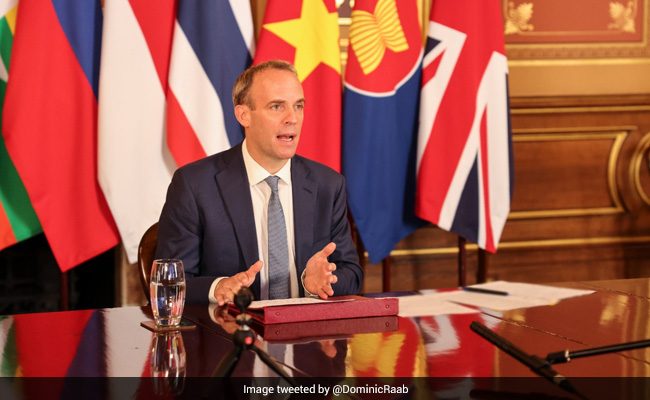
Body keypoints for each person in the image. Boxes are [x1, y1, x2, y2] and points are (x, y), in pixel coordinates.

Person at [155, 60, 363, 305]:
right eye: (277, 107)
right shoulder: (195, 185)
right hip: (231, 327)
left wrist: (320, 282)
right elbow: (169, 282)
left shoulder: (327, 185)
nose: (292, 118)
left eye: (298, 106)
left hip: (306, 328)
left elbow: (352, 273)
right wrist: (218, 287)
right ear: (244, 115)